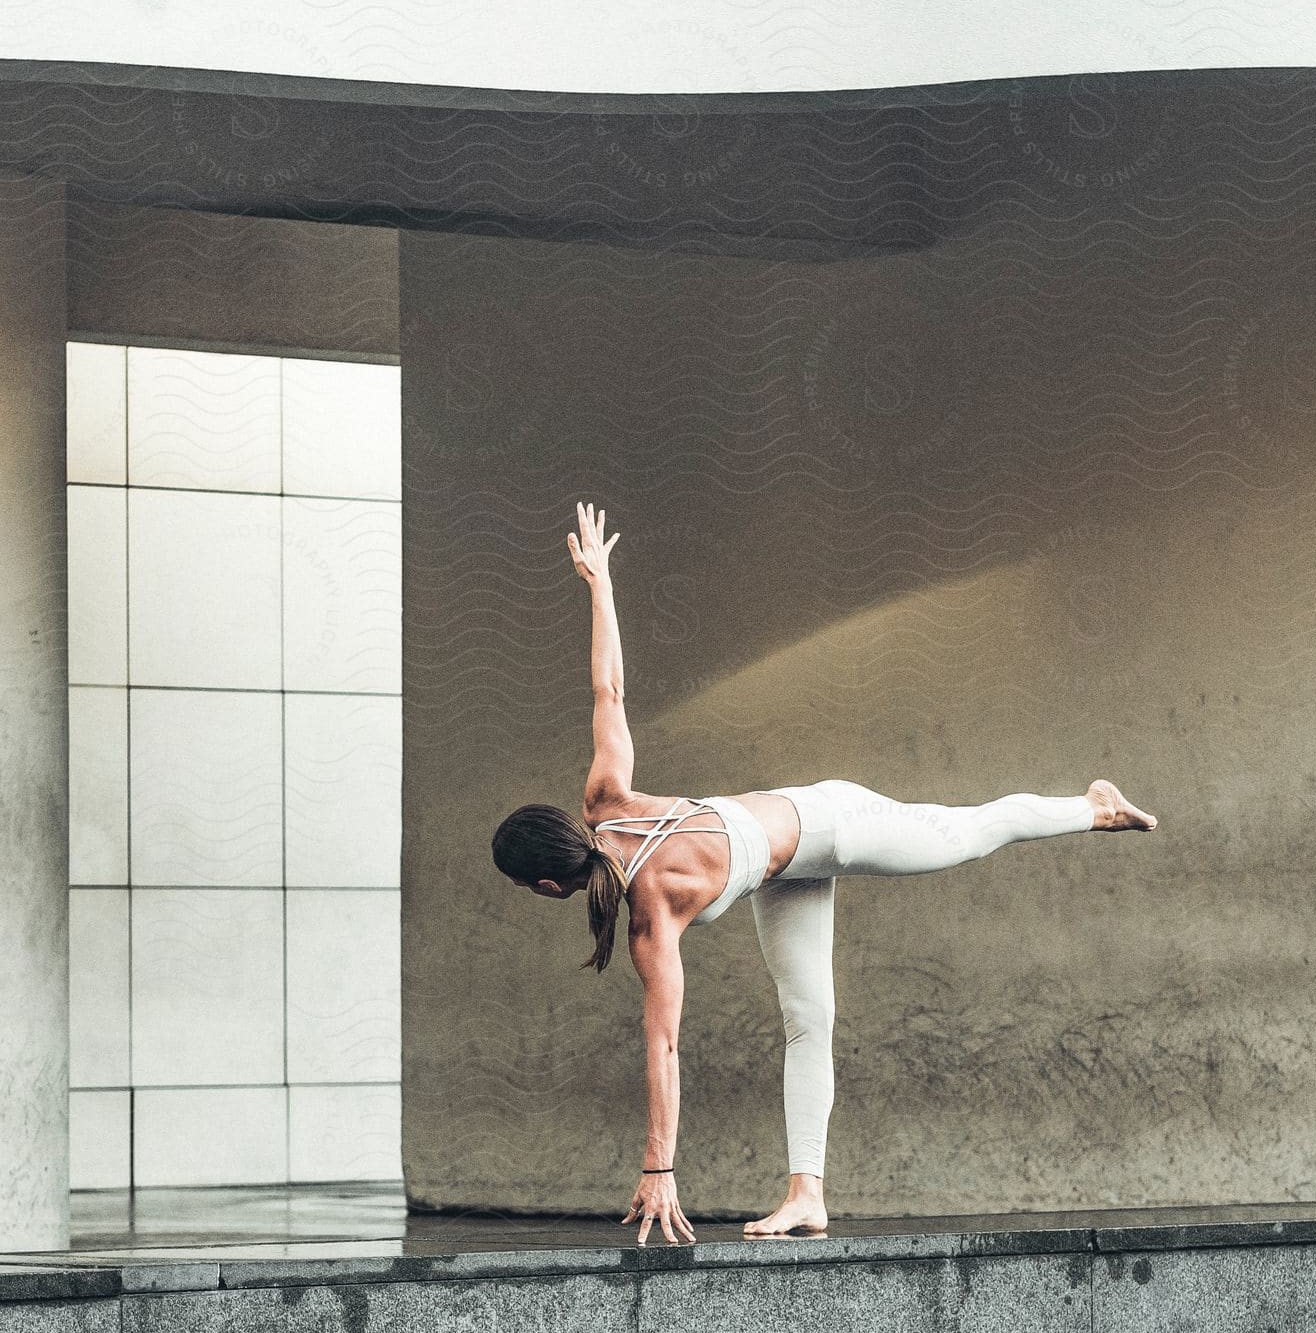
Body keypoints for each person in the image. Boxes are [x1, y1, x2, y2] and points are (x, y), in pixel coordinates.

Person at [491, 502, 1159, 1244]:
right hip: (781, 873)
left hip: (832, 822)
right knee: (807, 1020)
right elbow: (608, 693)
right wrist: (599, 584)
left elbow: (665, 1046)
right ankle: (806, 1194)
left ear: (549, 887)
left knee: (967, 834)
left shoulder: (652, 914)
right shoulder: (604, 800)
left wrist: (658, 1170)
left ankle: (1090, 808)